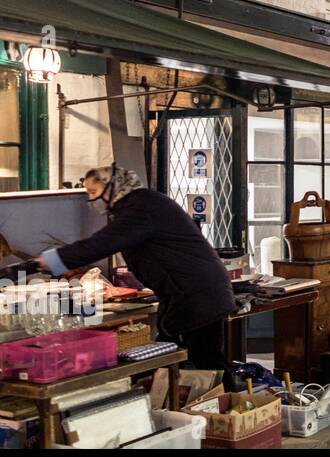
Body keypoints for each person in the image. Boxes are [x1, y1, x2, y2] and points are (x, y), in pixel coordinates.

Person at [38, 165, 237, 386]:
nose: (91, 200)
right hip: (194, 293)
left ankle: (230, 411)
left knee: (202, 360)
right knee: (184, 359)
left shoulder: (142, 209)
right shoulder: (141, 205)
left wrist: (51, 260)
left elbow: (101, 244)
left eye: (93, 192)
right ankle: (207, 408)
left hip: (197, 295)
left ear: (113, 186)